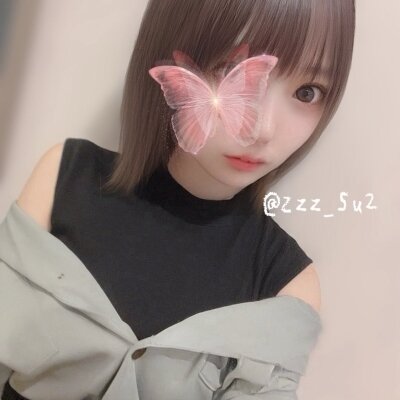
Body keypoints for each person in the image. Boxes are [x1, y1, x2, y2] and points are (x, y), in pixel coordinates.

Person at [1, 0, 355, 399]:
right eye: (231, 70)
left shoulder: (286, 287)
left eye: (307, 92)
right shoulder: (64, 177)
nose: (262, 128)